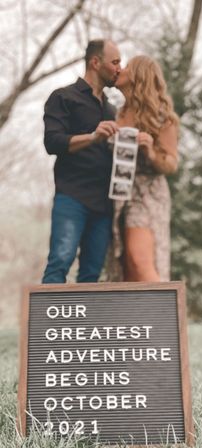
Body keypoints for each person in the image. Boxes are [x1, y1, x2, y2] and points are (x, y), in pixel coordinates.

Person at [42, 39, 121, 283]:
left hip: (104, 205)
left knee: (91, 274)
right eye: (115, 62)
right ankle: (49, 322)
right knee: (59, 262)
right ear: (95, 63)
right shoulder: (63, 97)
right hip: (72, 197)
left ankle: (83, 323)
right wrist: (93, 136)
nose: (120, 68)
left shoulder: (111, 109)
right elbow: (52, 143)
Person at [112, 55, 179, 282]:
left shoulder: (161, 116)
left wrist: (150, 151)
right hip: (118, 194)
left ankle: (168, 315)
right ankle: (139, 318)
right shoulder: (117, 113)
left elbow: (171, 163)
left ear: (138, 76)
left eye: (127, 67)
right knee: (127, 268)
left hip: (147, 196)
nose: (120, 69)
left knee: (141, 261)